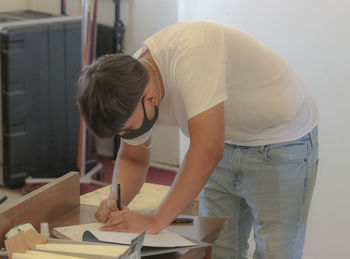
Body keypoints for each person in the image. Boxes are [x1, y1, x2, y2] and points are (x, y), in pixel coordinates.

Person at [77, 21, 319, 259]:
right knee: (219, 248)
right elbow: (133, 157)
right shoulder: (128, 86)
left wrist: (155, 220)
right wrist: (116, 203)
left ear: (149, 99)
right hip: (225, 138)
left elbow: (208, 149)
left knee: (276, 252)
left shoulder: (192, 55)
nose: (126, 136)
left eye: (126, 129)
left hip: (280, 141)